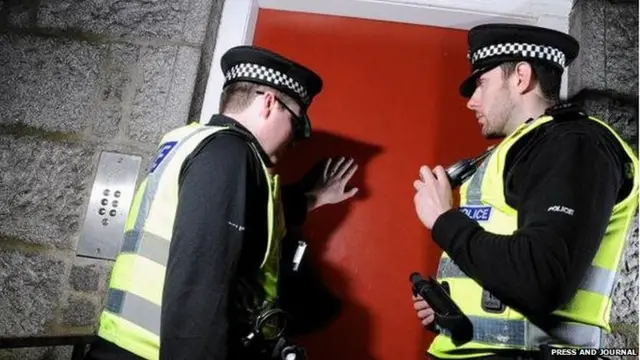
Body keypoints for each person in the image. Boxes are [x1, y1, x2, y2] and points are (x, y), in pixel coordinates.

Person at [84, 45, 359, 360]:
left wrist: (313, 198)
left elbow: (243, 221)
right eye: (296, 125)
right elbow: (200, 290)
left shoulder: (195, 143)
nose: (293, 140)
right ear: (269, 102)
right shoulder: (230, 155)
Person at [411, 23, 638, 359]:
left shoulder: (574, 144)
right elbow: (508, 272)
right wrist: (454, 308)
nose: (471, 102)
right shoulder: (518, 150)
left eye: (481, 84)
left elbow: (540, 278)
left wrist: (445, 221)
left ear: (520, 76)